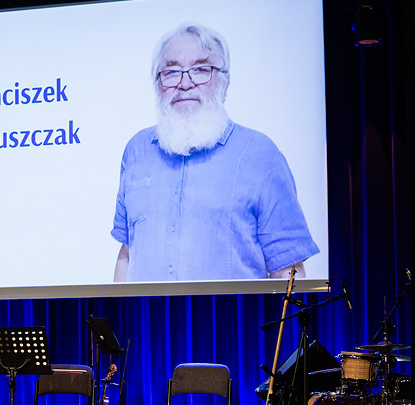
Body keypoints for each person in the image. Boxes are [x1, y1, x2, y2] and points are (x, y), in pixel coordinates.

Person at [112, 23, 319, 282]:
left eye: (201, 70)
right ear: (157, 84)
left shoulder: (261, 155)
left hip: (237, 322)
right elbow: (127, 254)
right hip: (144, 322)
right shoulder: (137, 151)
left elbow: (289, 270)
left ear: (225, 81)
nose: (185, 83)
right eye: (172, 71)